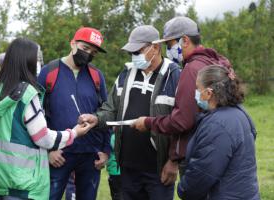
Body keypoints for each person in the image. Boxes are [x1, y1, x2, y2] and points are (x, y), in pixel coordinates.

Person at [0, 38, 91, 200]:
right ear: (28, 62)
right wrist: (73, 133)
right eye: (36, 59)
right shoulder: (27, 95)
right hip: (19, 182)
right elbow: (43, 138)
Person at [79, 25, 181, 200]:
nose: (134, 57)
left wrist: (173, 161)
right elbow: (110, 109)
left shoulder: (174, 76)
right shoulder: (126, 74)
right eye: (131, 53)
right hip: (128, 169)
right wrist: (96, 119)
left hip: (159, 171)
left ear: (155, 47)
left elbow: (181, 123)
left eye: (138, 51)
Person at [132, 17, 232, 181]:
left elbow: (182, 120)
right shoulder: (215, 63)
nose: (168, 50)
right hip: (219, 146)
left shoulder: (192, 69)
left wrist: (149, 122)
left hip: (197, 150)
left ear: (184, 41)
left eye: (170, 45)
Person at [37, 27, 110, 200]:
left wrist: (105, 150)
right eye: (85, 48)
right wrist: (48, 150)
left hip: (91, 155)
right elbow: (36, 115)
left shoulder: (96, 76)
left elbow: (106, 112)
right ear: (73, 43)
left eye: (93, 52)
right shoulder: (49, 72)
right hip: (59, 154)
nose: (88, 54)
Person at [177, 65, 260, 199]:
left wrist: (183, 189)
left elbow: (203, 172)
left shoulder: (217, 125)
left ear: (209, 93)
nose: (196, 92)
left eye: (198, 88)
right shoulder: (239, 112)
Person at [106, 129, 123, 200]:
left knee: (117, 195)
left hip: (115, 172)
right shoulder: (123, 136)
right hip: (119, 171)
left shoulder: (113, 136)